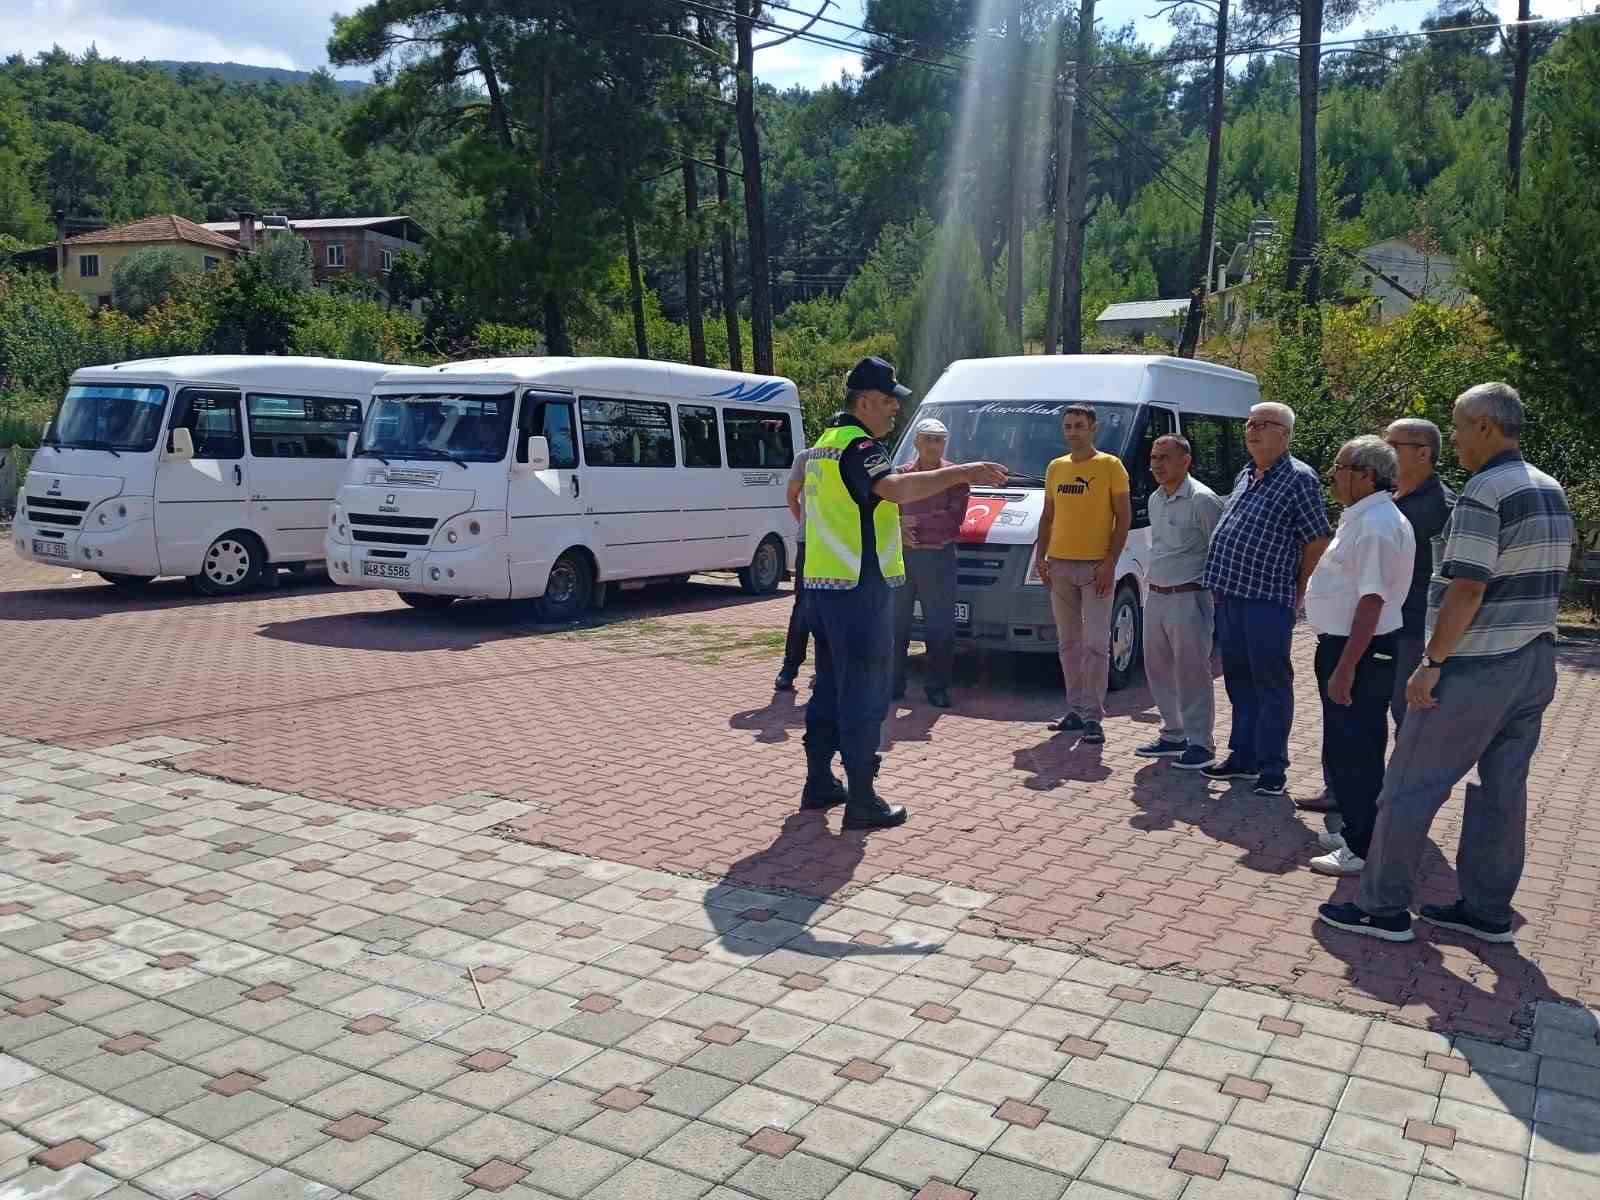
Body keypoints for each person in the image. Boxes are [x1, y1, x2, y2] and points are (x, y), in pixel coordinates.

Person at [1319, 383, 1573, 943]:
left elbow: (1467, 587)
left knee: (1409, 782)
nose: (1454, 440)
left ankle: (1382, 906)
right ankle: (1487, 911)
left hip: (1478, 663)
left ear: (1485, 426)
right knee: (1503, 790)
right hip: (1536, 660)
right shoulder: (1549, 487)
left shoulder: (1486, 490)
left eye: (1458, 427)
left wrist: (1432, 661)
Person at [801, 357, 1005, 830]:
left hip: (823, 588)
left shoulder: (822, 446)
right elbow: (894, 489)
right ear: (865, 400)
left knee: (829, 686)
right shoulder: (861, 446)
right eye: (890, 399)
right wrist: (962, 471)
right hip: (859, 588)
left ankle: (819, 781)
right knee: (865, 691)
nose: (895, 409)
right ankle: (863, 798)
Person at [1202, 402, 1332, 795]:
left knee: (1271, 685)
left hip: (1267, 600)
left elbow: (1317, 539)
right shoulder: (1246, 473)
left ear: (1285, 434)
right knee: (1239, 682)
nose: (1252, 430)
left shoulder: (1299, 479)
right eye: (1250, 423)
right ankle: (1243, 756)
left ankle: (1273, 768)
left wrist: (1298, 590)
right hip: (1232, 597)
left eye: (1263, 424)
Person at [1303, 437, 1415, 877]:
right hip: (1347, 647)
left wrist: (1346, 667)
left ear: (1367, 475)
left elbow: (1371, 602)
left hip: (1360, 651)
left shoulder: (1376, 525)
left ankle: (1362, 845)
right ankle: (1354, 827)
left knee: (1356, 748)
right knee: (1347, 742)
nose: (1332, 475)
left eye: (1341, 467)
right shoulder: (1364, 517)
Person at [1035, 404, 1132, 745]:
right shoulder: (1055, 467)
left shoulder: (1110, 466)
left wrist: (1109, 562)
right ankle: (1075, 709)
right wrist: (1040, 555)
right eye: (1068, 426)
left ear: (1094, 428)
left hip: (1095, 569)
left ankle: (1093, 715)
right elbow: (1048, 515)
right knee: (1068, 643)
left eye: (1079, 426)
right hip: (1060, 565)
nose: (1073, 432)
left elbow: (1123, 518)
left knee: (1095, 644)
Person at [1136, 434, 1225, 770]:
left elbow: (1220, 552)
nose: (1157, 464)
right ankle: (1173, 734)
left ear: (1185, 460)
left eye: (1164, 458)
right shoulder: (1157, 499)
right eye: (1154, 457)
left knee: (1192, 673)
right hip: (1156, 596)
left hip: (1189, 597)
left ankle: (1201, 742)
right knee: (1157, 670)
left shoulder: (1202, 500)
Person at [1384, 418, 1456, 728]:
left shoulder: (1445, 507)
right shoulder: (1388, 498)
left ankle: (1409, 778)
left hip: (1414, 631)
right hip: (1382, 624)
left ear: (1423, 453)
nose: (1382, 452)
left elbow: (1455, 582)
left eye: (1392, 446)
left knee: (1411, 718)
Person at [893, 418, 969, 708]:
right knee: (895, 625)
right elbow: (888, 514)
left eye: (938, 440)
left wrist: (912, 521)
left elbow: (953, 519)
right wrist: (899, 527)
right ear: (916, 443)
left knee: (939, 627)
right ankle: (893, 685)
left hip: (938, 558)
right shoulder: (900, 475)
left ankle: (937, 687)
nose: (933, 445)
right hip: (904, 557)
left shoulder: (955, 476)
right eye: (927, 439)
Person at [775, 445, 821, 691]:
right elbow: (791, 497)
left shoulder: (850, 455)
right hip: (809, 544)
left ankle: (826, 670)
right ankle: (790, 667)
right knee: (803, 607)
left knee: (835, 609)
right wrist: (805, 524)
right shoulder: (805, 458)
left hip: (840, 546)